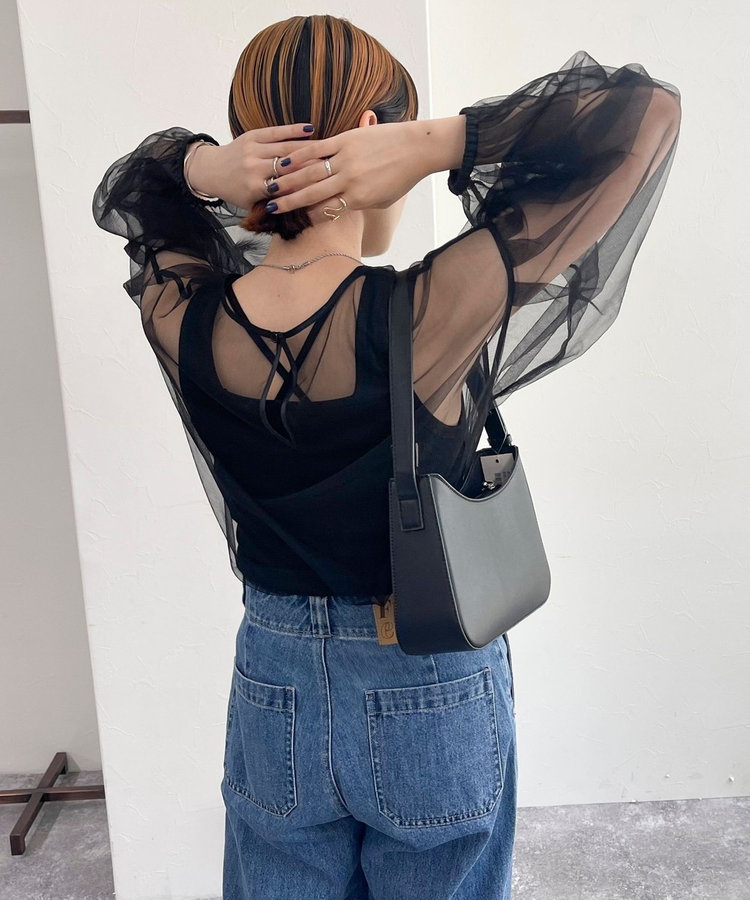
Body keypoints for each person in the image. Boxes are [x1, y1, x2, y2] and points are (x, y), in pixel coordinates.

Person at [92, 13, 681, 899]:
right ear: (375, 134)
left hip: (274, 683)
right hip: (426, 675)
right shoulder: (428, 312)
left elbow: (137, 189)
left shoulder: (187, 316)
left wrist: (207, 167)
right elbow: (646, 115)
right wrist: (438, 146)